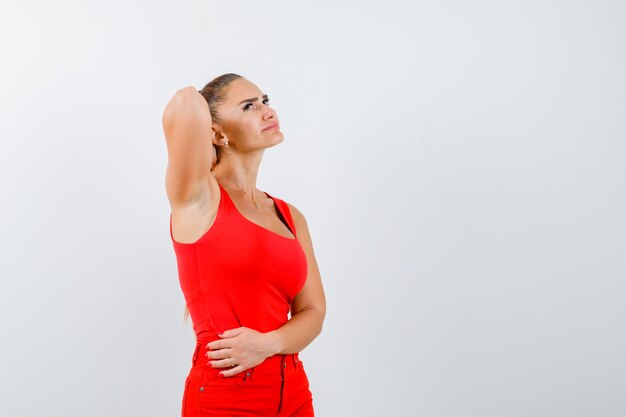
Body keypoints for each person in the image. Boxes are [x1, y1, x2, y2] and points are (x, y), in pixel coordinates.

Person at [162, 73, 326, 417]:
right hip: (228, 394)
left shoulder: (289, 215)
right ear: (217, 132)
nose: (267, 112)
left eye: (265, 101)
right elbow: (184, 102)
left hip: (294, 392)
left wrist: (269, 344)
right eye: (249, 106)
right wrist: (204, 129)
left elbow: (313, 312)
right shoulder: (198, 198)